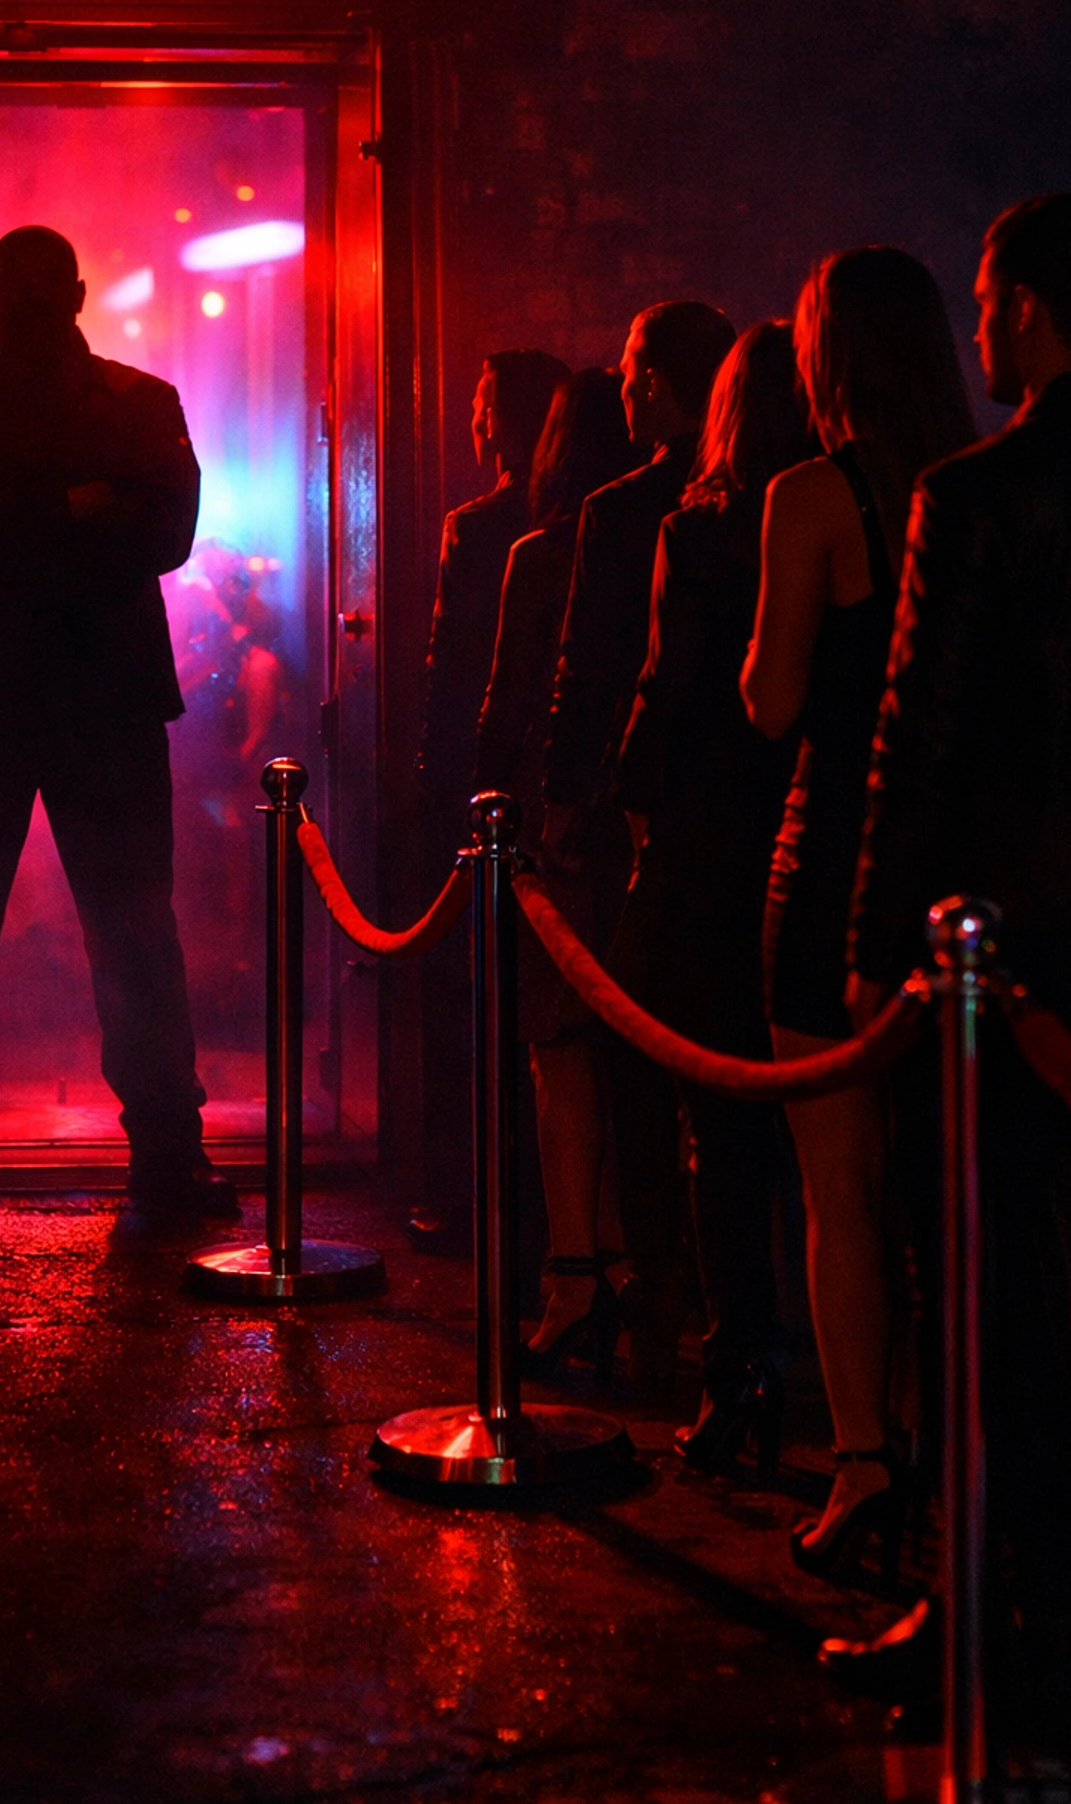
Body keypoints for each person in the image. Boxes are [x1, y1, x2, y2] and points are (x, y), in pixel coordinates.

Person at [836, 194, 1071, 1734]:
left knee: (989, 1297)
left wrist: (881, 956)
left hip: (1002, 961)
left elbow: (917, 748)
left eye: (992, 298)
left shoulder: (976, 491)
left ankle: (998, 1620)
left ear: (1023, 310)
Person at [0, 224, 236, 1232]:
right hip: (101, 697)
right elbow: (161, 534)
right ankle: (167, 1160)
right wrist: (79, 506)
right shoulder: (143, 407)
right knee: (132, 931)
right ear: (81, 289)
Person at [741, 248, 973, 1572]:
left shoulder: (815, 496)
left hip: (829, 856)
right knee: (957, 1189)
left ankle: (865, 1463)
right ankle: (977, 1454)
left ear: (825, 357)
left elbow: (772, 702)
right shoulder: (974, 483)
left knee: (840, 1187)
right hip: (953, 868)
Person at [610, 322, 812, 1461]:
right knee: (830, 1128)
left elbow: (669, 690)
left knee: (714, 1121)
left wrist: (631, 790)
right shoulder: (873, 505)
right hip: (819, 828)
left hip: (709, 846)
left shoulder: (704, 527)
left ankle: (736, 1365)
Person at [540, 300, 736, 1400]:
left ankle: (659, 1292)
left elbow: (593, 663)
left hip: (641, 810)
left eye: (629, 369)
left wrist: (571, 795)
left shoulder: (628, 511)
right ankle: (732, 1304)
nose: (619, 387)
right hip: (749, 813)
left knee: (638, 1049)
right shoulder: (775, 493)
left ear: (656, 384)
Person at [471, 370, 635, 1377]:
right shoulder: (680, 523)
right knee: (641, 1054)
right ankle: (632, 1271)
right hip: (644, 822)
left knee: (559, 1049)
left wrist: (488, 803)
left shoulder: (544, 552)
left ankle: (576, 1274)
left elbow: (505, 705)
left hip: (554, 829)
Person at [410, 346, 570, 1251]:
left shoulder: (480, 527)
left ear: (496, 420)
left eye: (479, 404)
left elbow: (451, 669)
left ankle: (474, 1193)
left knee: (474, 997)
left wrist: (436, 781)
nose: (472, 421)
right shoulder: (584, 517)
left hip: (483, 784)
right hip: (553, 782)